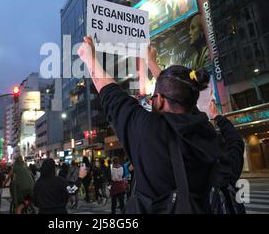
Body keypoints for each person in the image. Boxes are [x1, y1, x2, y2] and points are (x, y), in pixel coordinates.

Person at [77, 37, 220, 213]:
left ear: (159, 100)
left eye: (154, 97)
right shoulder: (207, 131)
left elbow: (110, 93)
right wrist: (152, 63)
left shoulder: (149, 129)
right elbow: (179, 91)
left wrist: (89, 59)